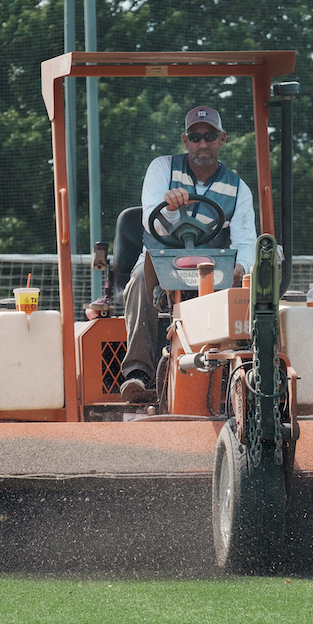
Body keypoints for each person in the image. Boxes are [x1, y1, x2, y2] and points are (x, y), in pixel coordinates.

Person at [120, 105, 256, 402]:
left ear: (223, 139)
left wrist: (241, 268)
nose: (202, 143)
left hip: (211, 267)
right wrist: (168, 208)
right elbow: (148, 218)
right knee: (139, 279)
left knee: (245, 290)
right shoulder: (162, 168)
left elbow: (247, 242)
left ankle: (237, 372)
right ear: (185, 140)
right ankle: (138, 373)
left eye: (209, 136)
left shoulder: (238, 189)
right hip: (161, 260)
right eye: (195, 137)